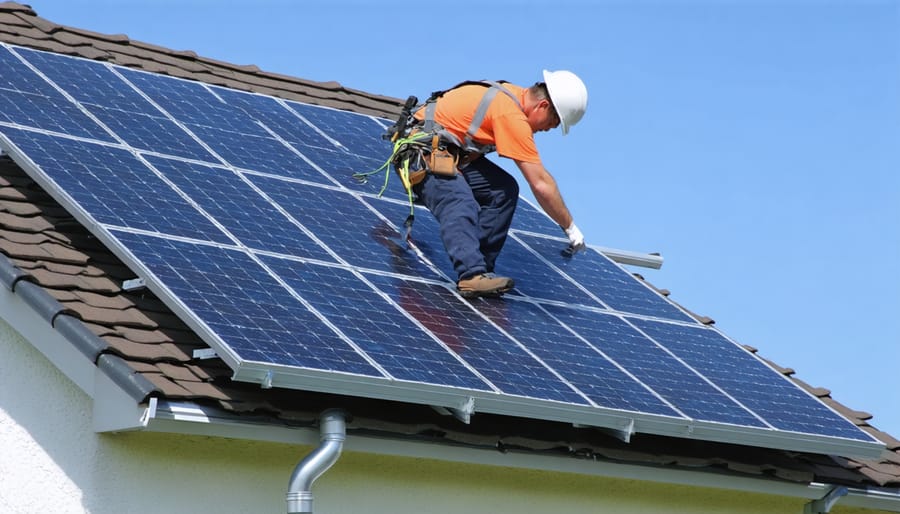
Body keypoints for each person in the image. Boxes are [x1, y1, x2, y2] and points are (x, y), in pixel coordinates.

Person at [401, 70, 588, 299]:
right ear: (543, 105)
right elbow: (540, 182)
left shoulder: (510, 95)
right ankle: (470, 275)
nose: (549, 128)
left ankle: (482, 269)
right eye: (554, 121)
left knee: (503, 190)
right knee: (459, 200)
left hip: (451, 155)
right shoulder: (510, 114)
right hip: (420, 154)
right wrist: (569, 227)